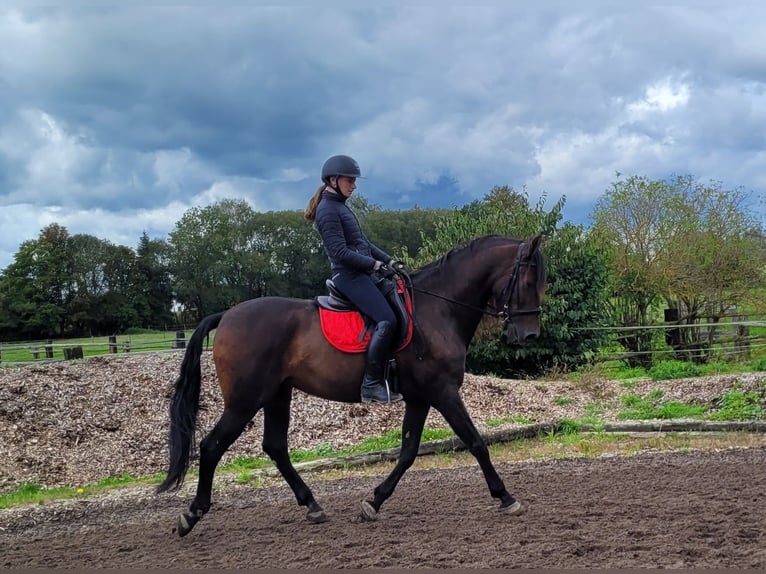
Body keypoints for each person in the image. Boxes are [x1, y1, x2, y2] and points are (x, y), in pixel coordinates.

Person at [305, 154, 403, 404]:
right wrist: (374, 264)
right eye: (351, 180)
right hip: (348, 277)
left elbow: (363, 244)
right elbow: (340, 253)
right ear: (334, 179)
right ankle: (371, 384)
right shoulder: (327, 211)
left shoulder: (340, 207)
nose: (354, 185)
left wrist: (389, 261)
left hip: (362, 272)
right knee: (387, 320)